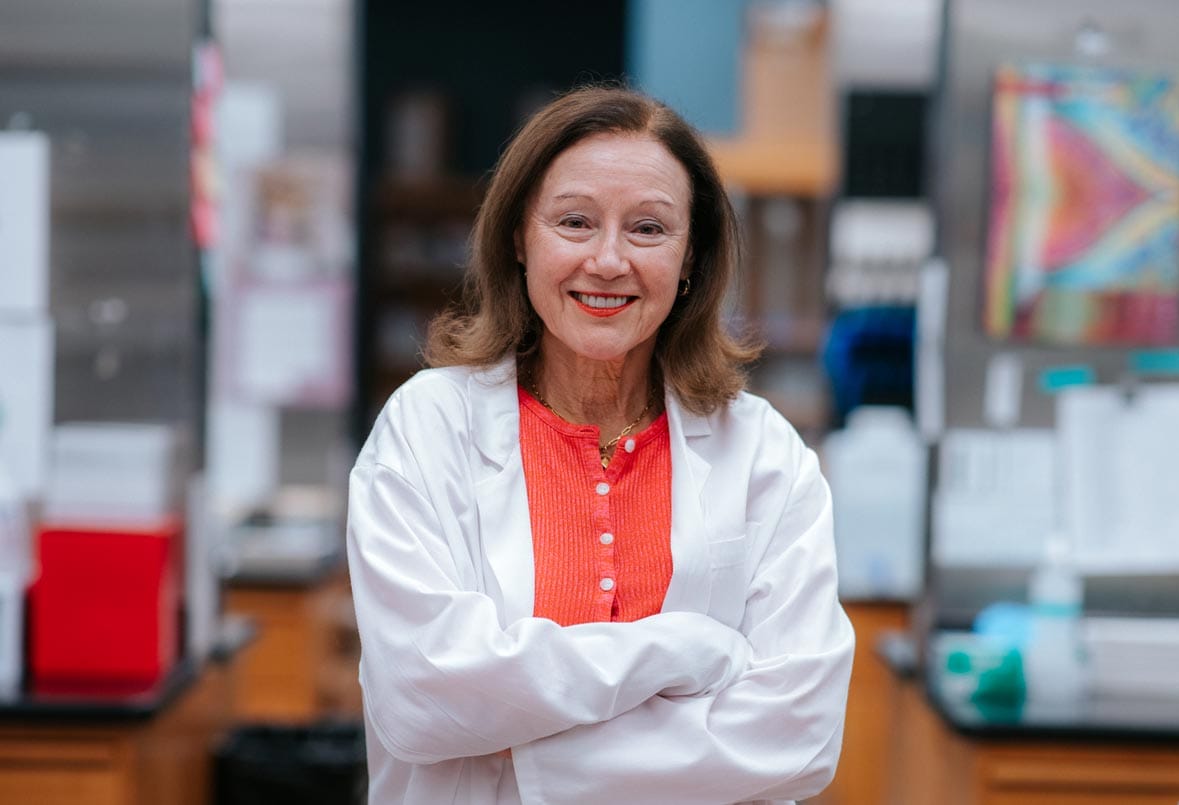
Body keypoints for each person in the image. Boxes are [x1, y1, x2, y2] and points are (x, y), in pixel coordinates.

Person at [347, 85, 854, 805]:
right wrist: (683, 648)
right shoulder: (427, 429)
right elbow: (421, 696)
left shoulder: (764, 455)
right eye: (575, 222)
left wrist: (524, 760)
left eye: (648, 229)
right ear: (521, 237)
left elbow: (799, 734)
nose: (608, 260)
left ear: (690, 258)